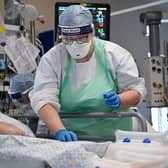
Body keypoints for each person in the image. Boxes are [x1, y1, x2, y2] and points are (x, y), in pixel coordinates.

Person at [29, 5, 146, 142]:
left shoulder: (114, 54)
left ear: (92, 32)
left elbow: (136, 90)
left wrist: (121, 100)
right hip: (71, 140)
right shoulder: (52, 59)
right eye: (68, 39)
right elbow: (43, 99)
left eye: (81, 38)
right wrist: (59, 130)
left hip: (114, 139)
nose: (74, 44)